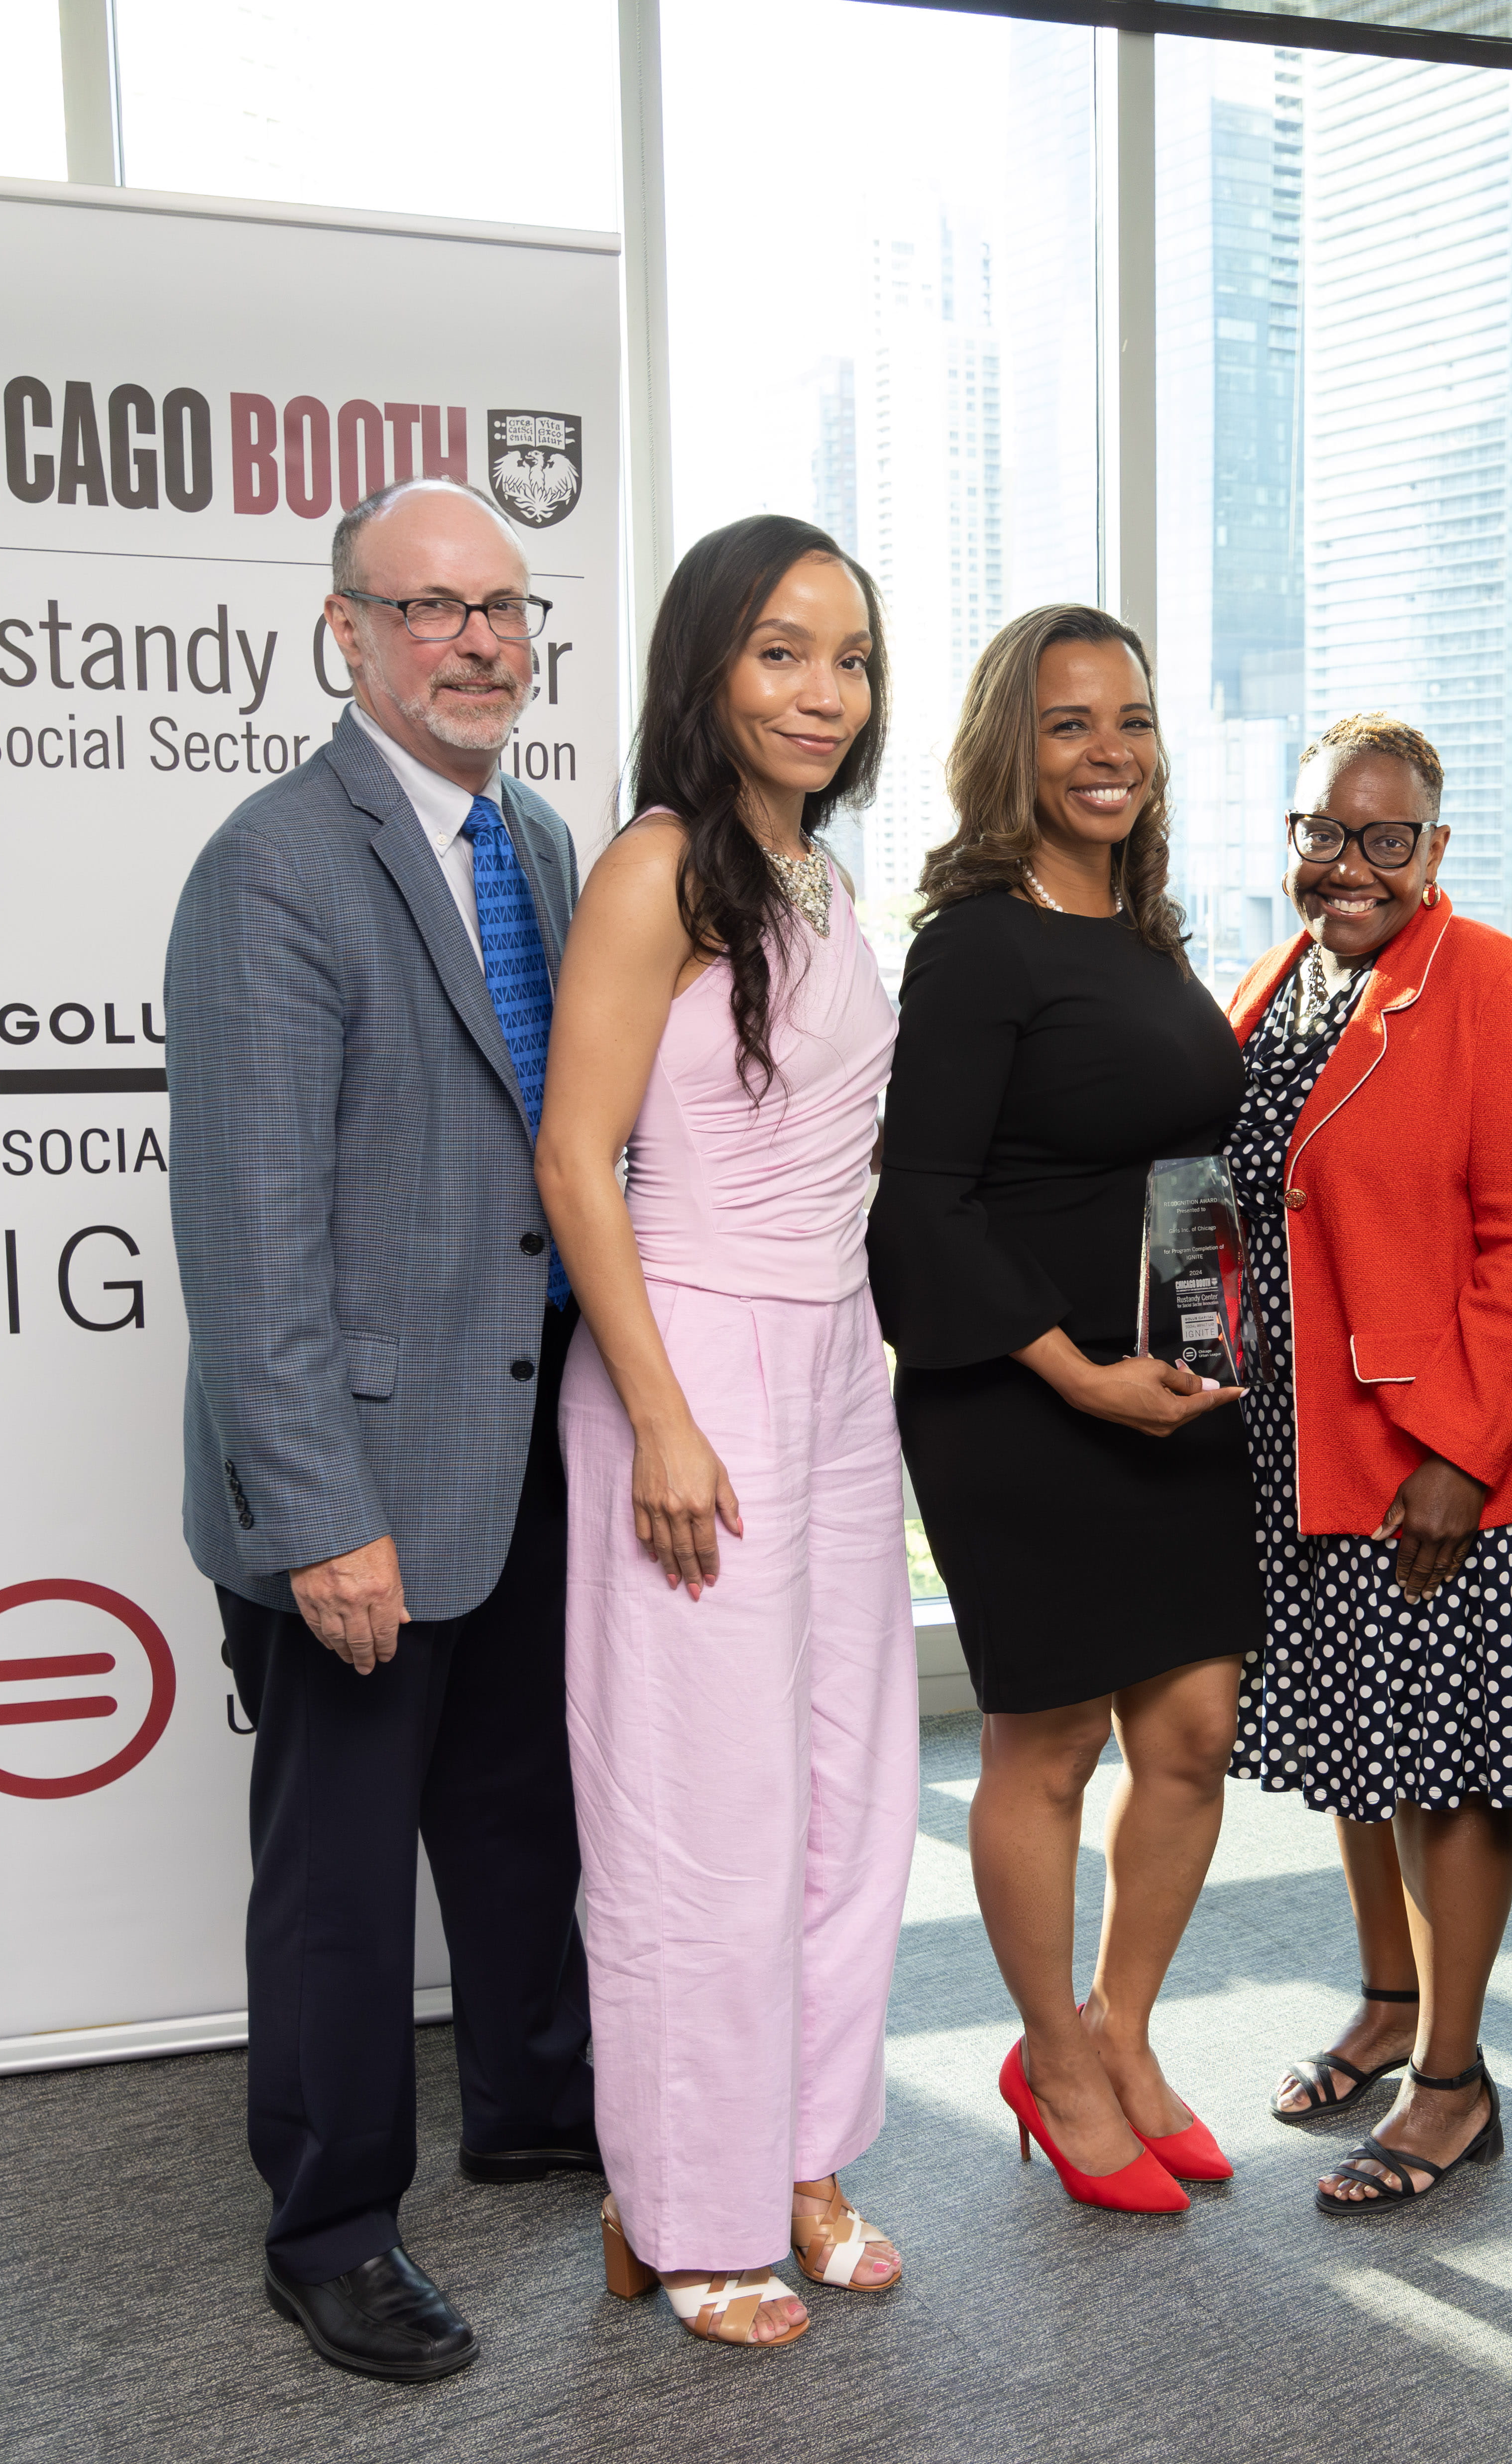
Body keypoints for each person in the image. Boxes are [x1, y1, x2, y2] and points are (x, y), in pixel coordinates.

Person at [166, 477, 592, 2383]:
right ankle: (331, 2224)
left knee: (515, 1814)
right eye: (431, 609)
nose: (477, 641)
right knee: (339, 1875)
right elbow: (248, 1236)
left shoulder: (544, 841)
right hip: (355, 1479)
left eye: (502, 606)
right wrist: (320, 1516)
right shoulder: (273, 867)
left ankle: (534, 2101)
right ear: (344, 633)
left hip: (520, 1444)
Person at [534, 515, 922, 2350]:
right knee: (703, 1809)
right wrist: (663, 1418)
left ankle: (800, 2154)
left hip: (836, 1361)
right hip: (689, 1351)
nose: (823, 691)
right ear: (706, 663)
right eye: (782, 650)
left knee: (852, 1787)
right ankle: (684, 2204)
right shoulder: (658, 866)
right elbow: (573, 1159)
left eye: (850, 658)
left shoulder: (825, 879)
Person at [866, 604, 1260, 2217]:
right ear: (1008, 750)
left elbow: (1181, 1169)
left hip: (1172, 1383)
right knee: (1051, 1740)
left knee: (1194, 1734)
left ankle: (1124, 2029)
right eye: (1070, 723)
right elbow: (923, 1201)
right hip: (1025, 1393)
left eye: (1133, 721)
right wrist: (1081, 1370)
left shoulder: (1147, 930)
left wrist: (1204, 1343)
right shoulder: (978, 944)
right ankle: (1053, 2054)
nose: (1111, 752)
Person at [1224, 714, 1512, 2215]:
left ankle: (1454, 2079)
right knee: (1354, 1744)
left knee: (1449, 1769)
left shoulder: (1489, 983)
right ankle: (1387, 2003)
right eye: (1325, 833)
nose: (1350, 865)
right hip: (1301, 1440)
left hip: (1436, 1462)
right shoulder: (1280, 979)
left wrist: (1461, 1451)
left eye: (1386, 839)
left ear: (1436, 848)